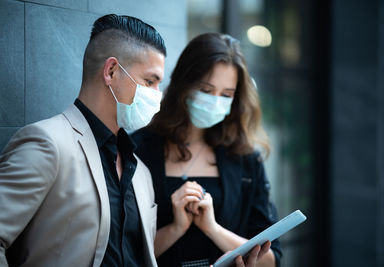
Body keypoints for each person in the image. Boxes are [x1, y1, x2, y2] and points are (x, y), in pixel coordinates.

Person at [0, 14, 166, 266]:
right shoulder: (47, 144)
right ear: (111, 71)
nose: (157, 96)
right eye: (149, 81)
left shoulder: (140, 171)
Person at [132, 33, 282, 267]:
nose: (215, 101)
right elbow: (122, 252)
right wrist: (175, 229)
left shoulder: (245, 159)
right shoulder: (137, 149)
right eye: (206, 89)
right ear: (184, 83)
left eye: (226, 95)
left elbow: (272, 260)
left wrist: (212, 229)